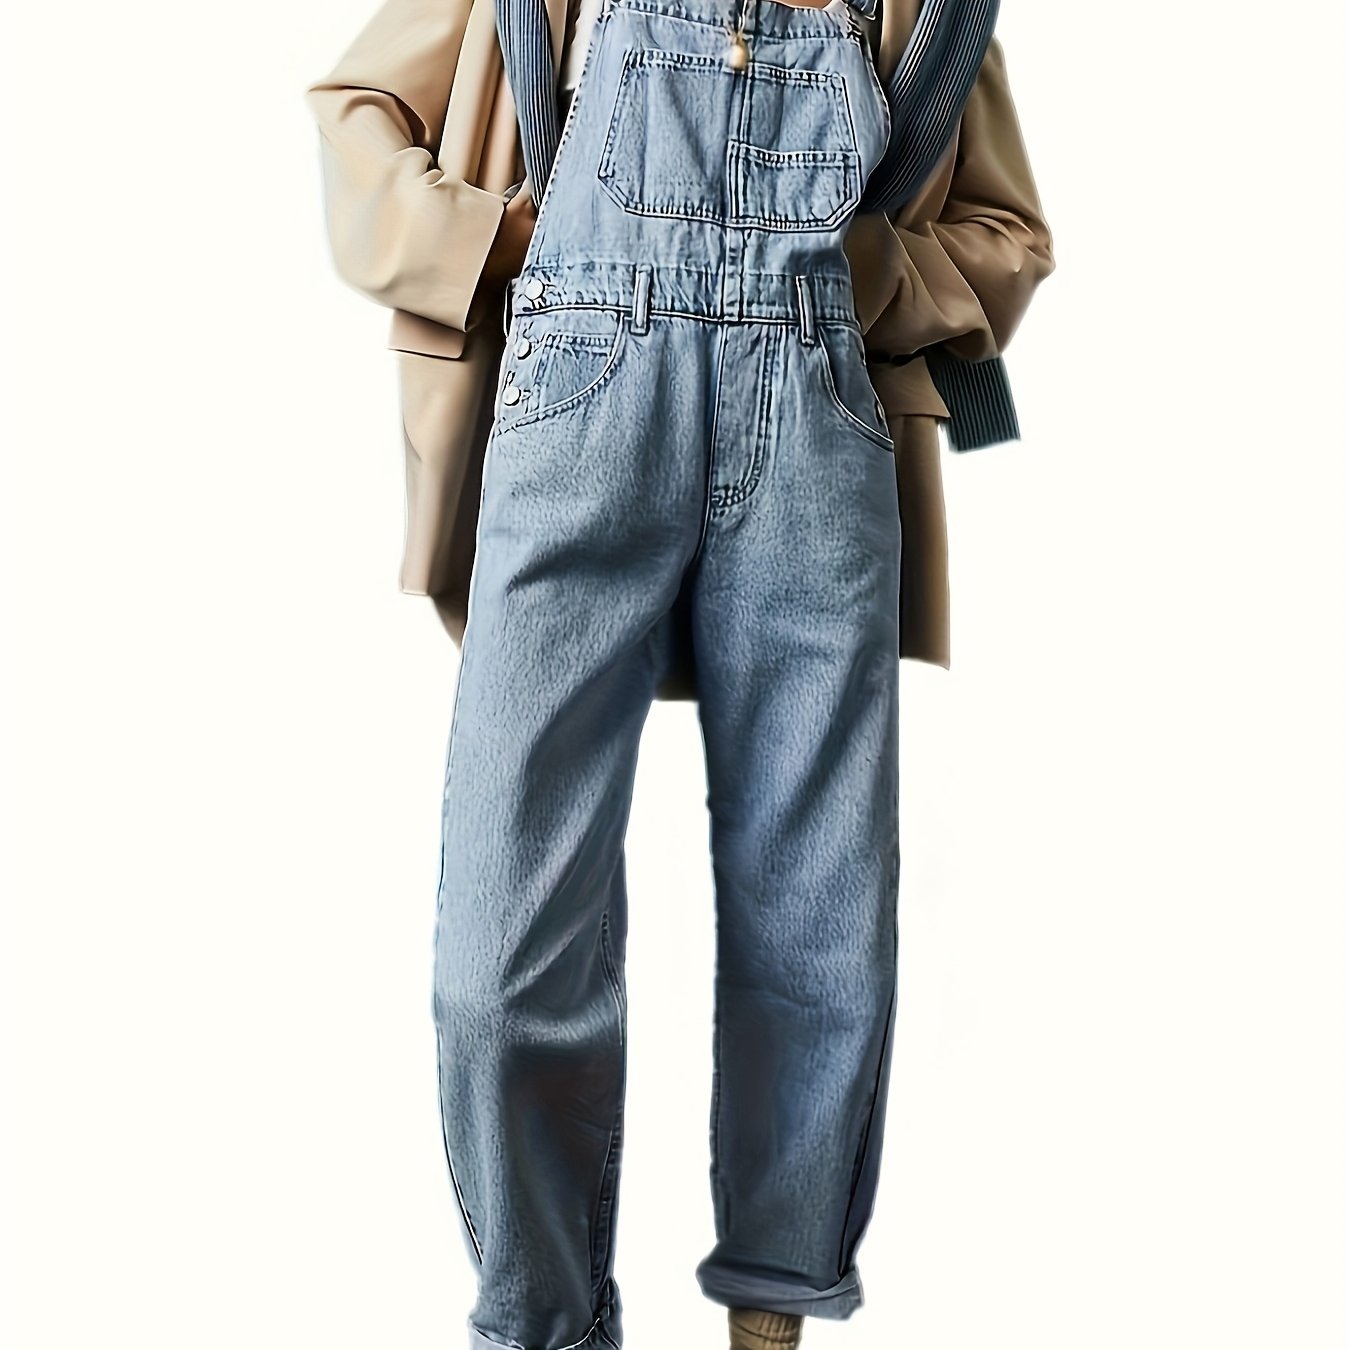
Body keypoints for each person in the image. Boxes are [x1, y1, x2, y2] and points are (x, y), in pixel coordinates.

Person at [304, 2, 1054, 1348]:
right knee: (497, 963)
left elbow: (1006, 234)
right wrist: (491, 240)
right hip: (579, 395)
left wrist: (874, 280)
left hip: (814, 418)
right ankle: (543, 1319)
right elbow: (359, 112)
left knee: (817, 924)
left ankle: (773, 1313)